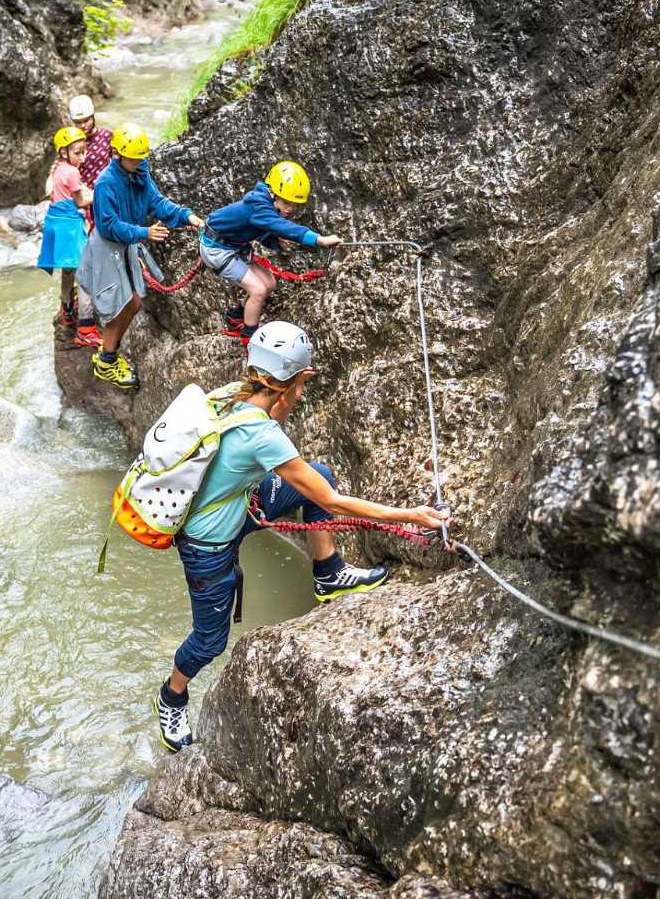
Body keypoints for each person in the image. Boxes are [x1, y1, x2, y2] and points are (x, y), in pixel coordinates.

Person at [153, 321, 453, 752]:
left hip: (236, 507)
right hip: (208, 546)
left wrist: (288, 390)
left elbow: (273, 438)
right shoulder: (261, 435)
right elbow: (330, 502)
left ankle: (328, 573)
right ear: (295, 379)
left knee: (320, 472)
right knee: (209, 641)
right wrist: (412, 516)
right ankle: (171, 697)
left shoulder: (233, 395)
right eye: (300, 383)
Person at [76, 122, 204, 390]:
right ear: (117, 154)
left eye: (139, 158)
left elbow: (156, 202)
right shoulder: (105, 183)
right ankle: (107, 360)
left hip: (126, 246)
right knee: (123, 304)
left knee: (132, 303)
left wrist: (187, 216)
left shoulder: (140, 172)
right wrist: (144, 232)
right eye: (132, 158)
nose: (137, 162)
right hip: (108, 248)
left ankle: (108, 354)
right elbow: (108, 226)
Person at [201, 161, 341, 343]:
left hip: (233, 245)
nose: (290, 209)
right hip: (216, 249)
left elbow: (259, 228)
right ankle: (249, 336)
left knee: (269, 284)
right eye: (286, 202)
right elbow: (281, 226)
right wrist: (318, 239)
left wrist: (275, 242)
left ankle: (237, 316)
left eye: (295, 204)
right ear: (273, 193)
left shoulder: (264, 205)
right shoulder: (258, 206)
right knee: (258, 291)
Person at [38, 126, 102, 348]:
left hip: (56, 224)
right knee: (85, 273)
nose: (83, 157)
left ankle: (66, 310)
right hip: (70, 227)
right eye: (78, 153)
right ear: (64, 152)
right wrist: (99, 194)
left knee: (68, 269)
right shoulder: (72, 172)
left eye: (84, 151)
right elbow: (81, 202)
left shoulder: (59, 169)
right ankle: (85, 327)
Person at [68, 94, 113, 188]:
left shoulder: (107, 135)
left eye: (86, 121)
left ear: (93, 117)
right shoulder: (70, 140)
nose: (83, 125)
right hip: (82, 191)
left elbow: (119, 162)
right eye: (78, 122)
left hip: (105, 188)